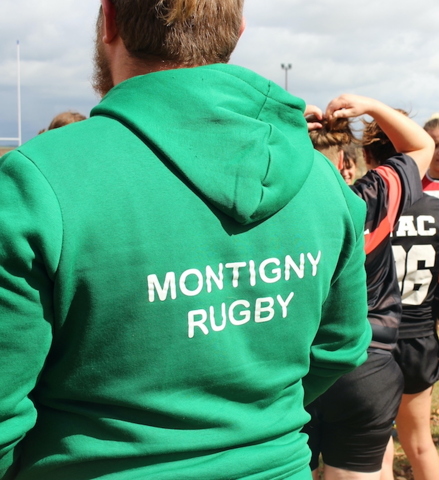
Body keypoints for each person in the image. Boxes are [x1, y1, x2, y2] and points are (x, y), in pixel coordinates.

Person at [0, 1, 373, 479]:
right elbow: (339, 348)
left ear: (109, 22)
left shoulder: (38, 179)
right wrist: (243, 422)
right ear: (238, 28)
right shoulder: (323, 183)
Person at [305, 96, 434, 480]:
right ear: (346, 164)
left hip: (298, 371)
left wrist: (285, 121)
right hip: (367, 366)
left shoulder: (278, 212)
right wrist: (372, 108)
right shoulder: (370, 199)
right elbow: (420, 145)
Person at [385, 188, 439, 480]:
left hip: (375, 340)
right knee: (420, 442)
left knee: (377, 445)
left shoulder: (367, 203)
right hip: (420, 340)